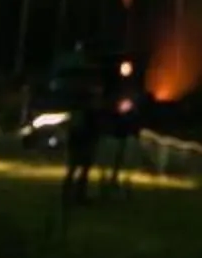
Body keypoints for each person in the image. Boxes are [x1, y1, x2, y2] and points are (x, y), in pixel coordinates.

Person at [46, 45, 101, 203]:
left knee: (78, 166)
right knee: (79, 165)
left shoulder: (81, 96)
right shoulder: (85, 97)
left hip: (82, 132)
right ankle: (74, 194)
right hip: (83, 132)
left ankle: (73, 193)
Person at [101, 55, 144, 191]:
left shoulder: (132, 87)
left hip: (126, 125)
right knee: (112, 152)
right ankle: (109, 177)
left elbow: (136, 102)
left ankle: (117, 177)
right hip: (116, 124)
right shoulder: (116, 86)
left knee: (122, 153)